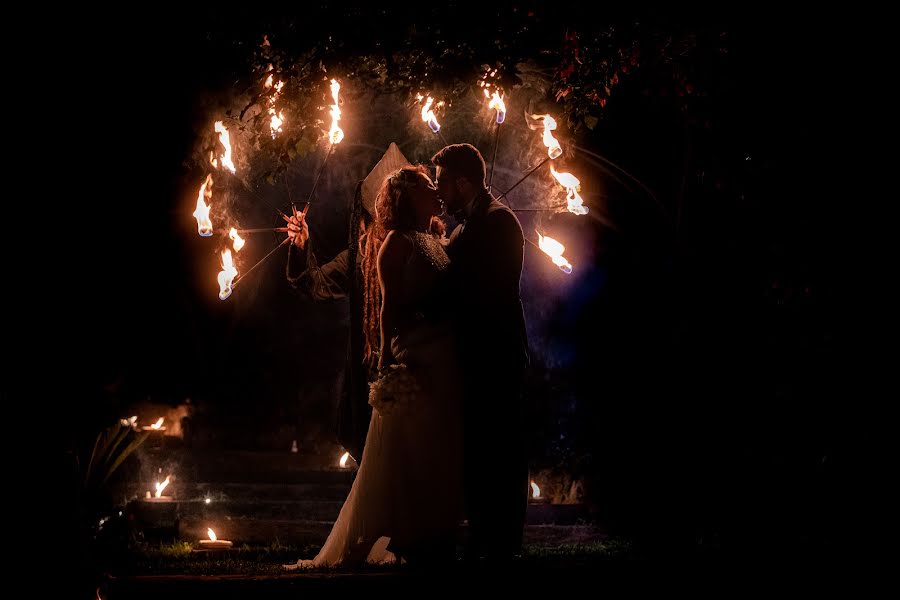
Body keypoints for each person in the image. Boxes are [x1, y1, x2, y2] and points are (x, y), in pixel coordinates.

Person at [289, 165, 463, 568]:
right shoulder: (365, 253)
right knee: (385, 464)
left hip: (425, 362)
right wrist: (303, 244)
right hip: (384, 367)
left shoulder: (432, 240)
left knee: (418, 459)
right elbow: (313, 283)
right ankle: (389, 538)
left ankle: (417, 536)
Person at [432, 143, 529, 561]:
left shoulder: (498, 222)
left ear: (463, 181)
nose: (439, 192)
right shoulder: (464, 227)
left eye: (442, 183)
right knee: (478, 452)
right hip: (473, 359)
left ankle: (503, 542)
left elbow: (487, 291)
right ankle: (485, 537)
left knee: (501, 451)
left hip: (497, 356)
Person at [285, 143, 408, 462]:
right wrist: (302, 246)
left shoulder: (430, 249)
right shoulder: (360, 259)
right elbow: (314, 284)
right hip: (374, 380)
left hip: (422, 375)